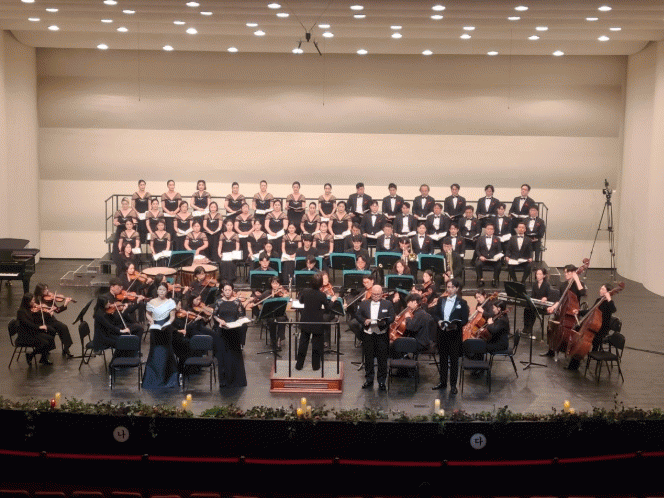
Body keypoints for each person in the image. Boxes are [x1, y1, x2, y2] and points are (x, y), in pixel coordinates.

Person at [566, 283, 617, 371]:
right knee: (578, 328)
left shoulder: (608, 304)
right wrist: (579, 311)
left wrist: (609, 298)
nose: (600, 290)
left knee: (584, 342)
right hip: (594, 326)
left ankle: (576, 361)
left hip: (601, 330)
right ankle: (573, 358)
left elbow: (614, 310)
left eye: (602, 289)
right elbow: (590, 311)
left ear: (608, 292)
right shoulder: (599, 300)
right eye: (601, 288)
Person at [432, 278, 469, 394]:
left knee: (454, 361)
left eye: (452, 287)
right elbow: (435, 314)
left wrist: (455, 325)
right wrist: (439, 321)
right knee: (442, 359)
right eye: (448, 287)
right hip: (442, 333)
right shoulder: (441, 300)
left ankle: (453, 385)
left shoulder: (462, 302)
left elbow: (465, 319)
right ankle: (442, 382)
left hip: (454, 335)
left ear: (457, 288)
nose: (450, 289)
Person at [542, 264, 587, 357]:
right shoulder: (563, 285)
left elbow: (583, 293)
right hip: (563, 312)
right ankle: (551, 350)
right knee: (552, 326)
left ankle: (567, 350)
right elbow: (560, 300)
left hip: (573, 313)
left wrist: (577, 279)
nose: (565, 274)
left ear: (574, 273)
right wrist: (553, 307)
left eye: (568, 272)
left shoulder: (579, 284)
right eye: (565, 272)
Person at [356, 284, 396, 390]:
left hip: (381, 335)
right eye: (374, 294)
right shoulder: (364, 303)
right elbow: (358, 315)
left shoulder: (388, 304)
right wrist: (364, 320)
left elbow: (392, 317)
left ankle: (382, 382)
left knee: (382, 359)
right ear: (371, 293)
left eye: (378, 294)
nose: (376, 296)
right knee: (368, 358)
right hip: (368, 335)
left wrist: (383, 322)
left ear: (382, 294)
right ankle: (369, 380)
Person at [142, 282, 179, 388]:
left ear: (167, 291)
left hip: (166, 329)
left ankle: (168, 379)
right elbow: (148, 314)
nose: (161, 292)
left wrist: (168, 324)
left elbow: (172, 317)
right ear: (157, 291)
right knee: (154, 352)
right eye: (160, 289)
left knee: (166, 352)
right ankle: (153, 379)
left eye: (163, 290)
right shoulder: (151, 302)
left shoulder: (170, 302)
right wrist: (151, 321)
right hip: (155, 329)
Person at [92, 277, 145, 350]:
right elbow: (115, 318)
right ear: (112, 287)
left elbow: (124, 313)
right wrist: (124, 311)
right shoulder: (105, 298)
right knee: (133, 332)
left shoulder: (116, 297)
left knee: (138, 328)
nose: (121, 289)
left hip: (117, 323)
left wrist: (136, 303)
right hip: (112, 327)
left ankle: (135, 351)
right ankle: (130, 351)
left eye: (121, 287)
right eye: (119, 287)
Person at [212, 282, 248, 388]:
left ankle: (237, 380)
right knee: (224, 355)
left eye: (229, 290)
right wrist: (220, 321)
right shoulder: (219, 301)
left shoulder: (237, 302)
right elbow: (215, 315)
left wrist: (240, 321)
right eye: (225, 290)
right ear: (222, 291)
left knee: (235, 354)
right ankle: (225, 381)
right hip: (223, 330)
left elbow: (241, 315)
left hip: (234, 330)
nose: (227, 292)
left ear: (232, 291)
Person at [295, 273, 333, 371]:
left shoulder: (305, 291)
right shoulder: (322, 295)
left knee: (303, 343)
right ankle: (315, 366)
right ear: (321, 284)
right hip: (317, 321)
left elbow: (301, 301)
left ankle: (299, 365)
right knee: (316, 344)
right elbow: (328, 308)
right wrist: (332, 301)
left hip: (306, 320)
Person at [33, 283, 75, 358]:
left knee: (63, 327)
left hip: (51, 320)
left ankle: (66, 348)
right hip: (43, 322)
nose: (47, 291)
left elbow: (57, 310)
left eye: (47, 288)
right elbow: (35, 314)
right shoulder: (36, 301)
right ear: (40, 291)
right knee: (51, 331)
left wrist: (65, 304)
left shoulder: (49, 299)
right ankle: (46, 351)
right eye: (45, 289)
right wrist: (47, 312)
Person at [16, 293, 56, 365]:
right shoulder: (21, 312)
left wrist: (47, 313)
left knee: (50, 337)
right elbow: (28, 324)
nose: (34, 302)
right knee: (45, 342)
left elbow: (35, 320)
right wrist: (39, 327)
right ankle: (31, 355)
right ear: (27, 302)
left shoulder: (29, 309)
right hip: (25, 335)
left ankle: (42, 357)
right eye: (33, 300)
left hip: (31, 332)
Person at [523, 267, 552, 336]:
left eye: (540, 274)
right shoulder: (535, 284)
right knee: (526, 309)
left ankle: (530, 328)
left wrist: (545, 298)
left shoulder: (546, 285)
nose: (538, 276)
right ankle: (526, 327)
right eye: (537, 274)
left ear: (544, 275)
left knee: (533, 310)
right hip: (536, 303)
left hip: (543, 305)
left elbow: (550, 296)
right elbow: (533, 295)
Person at [474, 223, 503, 287]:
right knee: (478, 264)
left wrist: (497, 257)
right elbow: (477, 250)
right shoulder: (480, 238)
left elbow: (499, 250)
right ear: (485, 230)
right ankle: (480, 279)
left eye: (491, 229)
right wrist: (480, 256)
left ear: (493, 231)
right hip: (483, 258)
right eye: (488, 229)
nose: (490, 230)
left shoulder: (497, 239)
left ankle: (494, 280)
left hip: (493, 259)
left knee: (499, 265)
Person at [112, 197, 138, 264]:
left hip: (129, 230)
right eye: (123, 204)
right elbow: (114, 222)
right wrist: (116, 223)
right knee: (117, 242)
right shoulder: (118, 212)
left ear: (128, 204)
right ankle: (119, 259)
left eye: (126, 204)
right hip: (120, 230)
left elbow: (134, 222)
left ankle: (130, 260)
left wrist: (132, 224)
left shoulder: (132, 212)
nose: (125, 205)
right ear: (121, 204)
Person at [217, 218, 240, 283]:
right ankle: (223, 279)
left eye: (231, 225)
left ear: (233, 226)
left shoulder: (236, 235)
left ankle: (231, 279)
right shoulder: (222, 235)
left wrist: (234, 254)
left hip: (232, 255)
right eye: (228, 225)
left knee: (230, 263)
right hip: (224, 254)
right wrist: (219, 254)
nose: (229, 227)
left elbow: (237, 247)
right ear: (225, 226)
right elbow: (220, 246)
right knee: (223, 263)